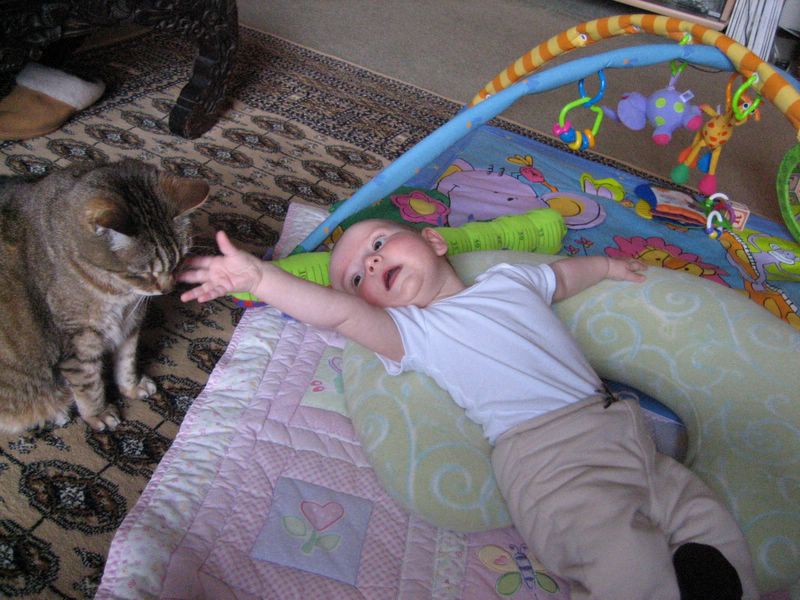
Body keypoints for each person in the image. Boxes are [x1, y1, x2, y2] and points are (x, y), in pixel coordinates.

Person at [178, 219, 757, 600]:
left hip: (622, 433)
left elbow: (560, 277)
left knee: (703, 517)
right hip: (550, 461)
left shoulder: (509, 279)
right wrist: (261, 279)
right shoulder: (414, 332)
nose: (371, 264)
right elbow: (336, 314)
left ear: (434, 241)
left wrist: (605, 267)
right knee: (618, 553)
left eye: (378, 244)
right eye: (356, 277)